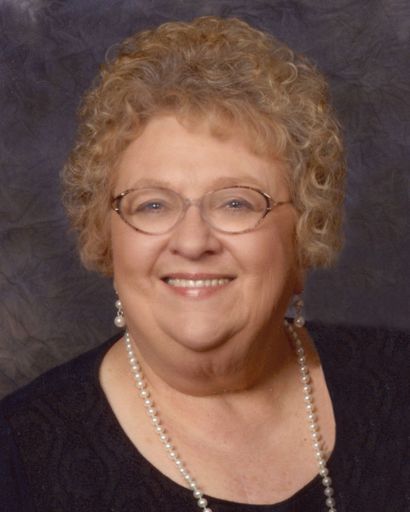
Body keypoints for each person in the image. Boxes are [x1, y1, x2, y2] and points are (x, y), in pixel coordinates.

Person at [0, 15, 408, 512]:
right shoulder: (18, 459)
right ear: (106, 236)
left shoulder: (398, 381)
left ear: (305, 229)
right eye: (153, 204)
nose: (193, 242)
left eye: (236, 202)